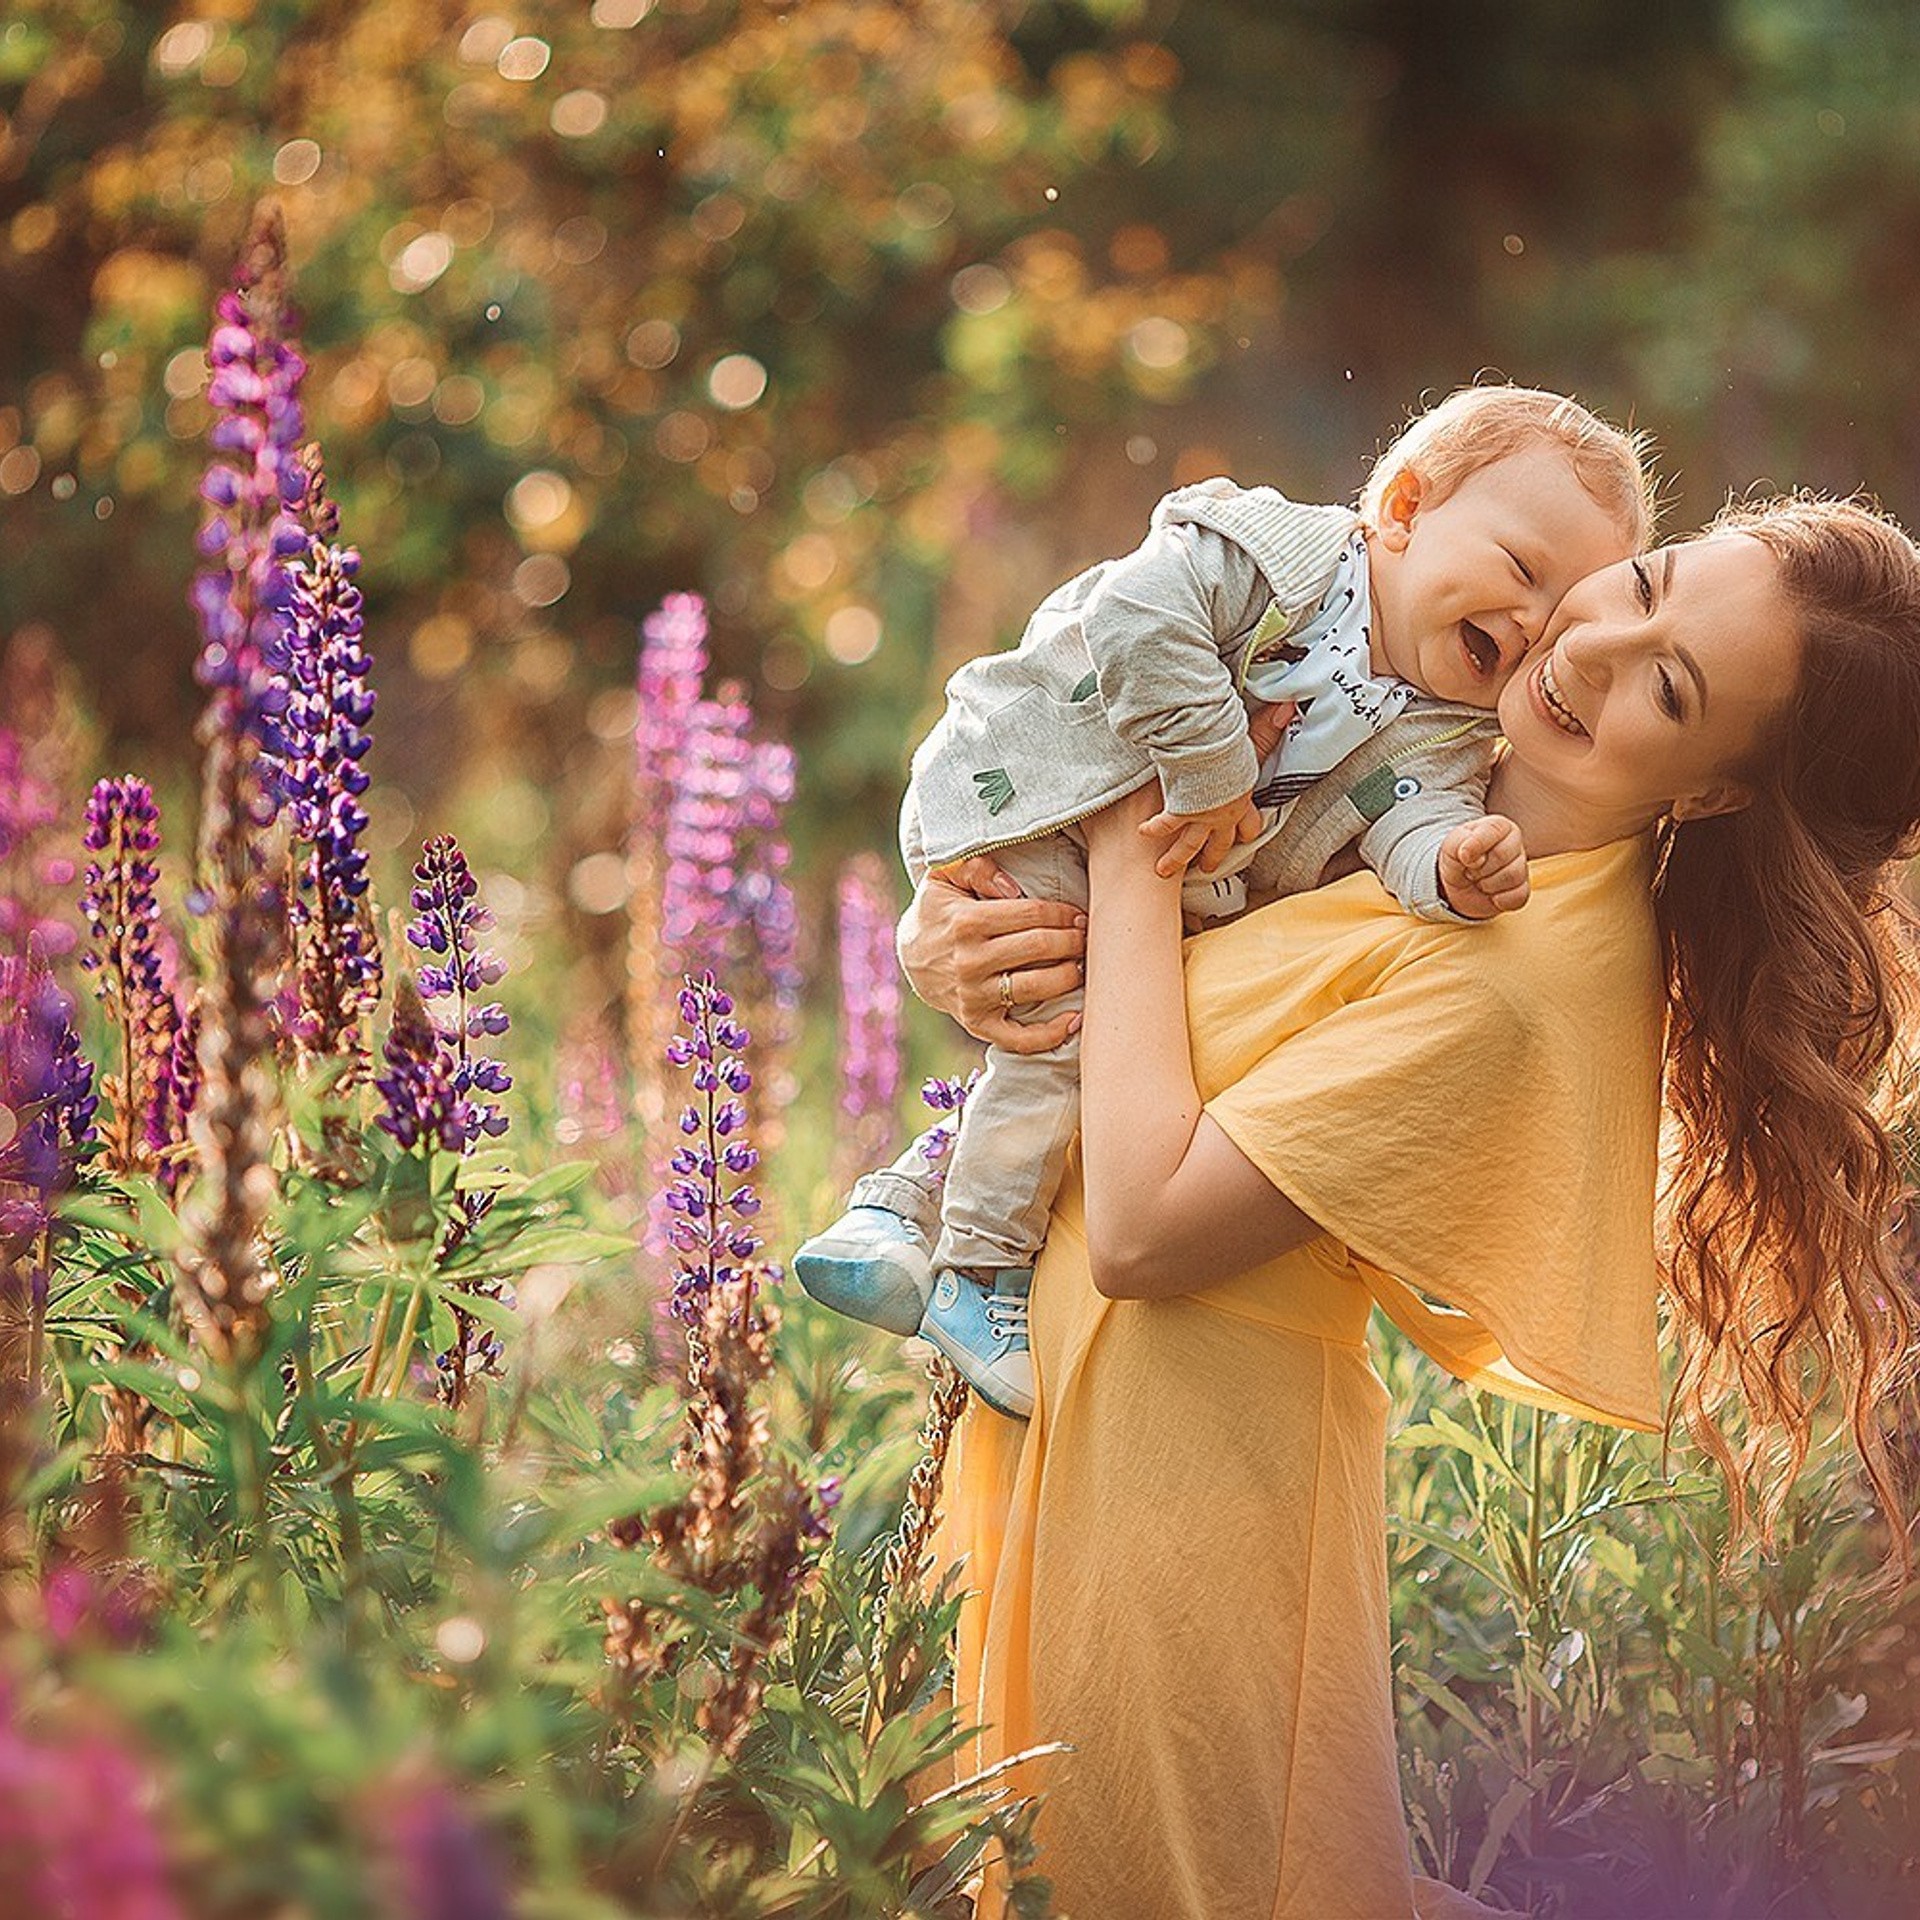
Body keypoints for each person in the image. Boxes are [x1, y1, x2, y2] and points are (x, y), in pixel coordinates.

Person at [892, 492, 1920, 1919]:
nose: (1594, 645)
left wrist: (1138, 853)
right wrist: (963, 936)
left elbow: (1141, 1225)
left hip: (1187, 1496)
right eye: (1647, 581)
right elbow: (1132, 985)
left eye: (1669, 691)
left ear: (1718, 791)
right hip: (1088, 1437)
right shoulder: (1407, 771)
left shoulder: (1522, 971)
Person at [797, 386, 1650, 1419]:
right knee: (1068, 1033)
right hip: (1044, 773)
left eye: (1551, 619)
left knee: (1065, 1040)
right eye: (1521, 570)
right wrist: (1210, 773)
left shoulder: (1436, 730)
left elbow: (1405, 818)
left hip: (1130, 854)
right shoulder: (1285, 557)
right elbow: (1135, 612)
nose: (1525, 622)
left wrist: (1451, 870)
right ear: (1407, 509)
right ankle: (977, 1273)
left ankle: (895, 1217)